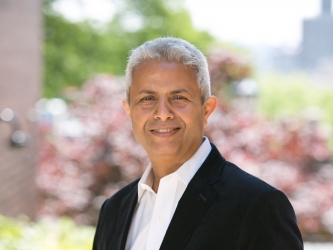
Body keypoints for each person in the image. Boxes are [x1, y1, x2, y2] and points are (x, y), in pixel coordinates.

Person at [92, 37, 304, 250]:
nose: (163, 113)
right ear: (129, 110)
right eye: (147, 98)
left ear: (206, 110)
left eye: (179, 98)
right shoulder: (113, 210)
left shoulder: (258, 206)